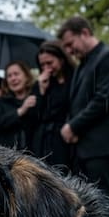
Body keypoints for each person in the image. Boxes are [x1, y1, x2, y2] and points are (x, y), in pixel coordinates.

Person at [57, 16, 109, 197]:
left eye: (70, 43)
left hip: (102, 147)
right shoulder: (82, 65)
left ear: (85, 33)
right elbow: (75, 104)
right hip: (82, 149)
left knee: (105, 205)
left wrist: (73, 127)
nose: (69, 51)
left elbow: (103, 101)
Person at [32, 40, 76, 171]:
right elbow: (35, 116)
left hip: (67, 141)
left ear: (61, 59)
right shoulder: (41, 83)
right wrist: (41, 91)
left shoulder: (75, 79)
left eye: (50, 63)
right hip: (45, 143)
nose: (47, 68)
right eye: (42, 65)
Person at [0, 60, 38, 150]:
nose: (13, 78)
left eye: (16, 74)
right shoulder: (2, 102)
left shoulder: (35, 97)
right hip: (9, 153)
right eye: (9, 76)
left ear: (26, 76)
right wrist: (20, 111)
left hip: (34, 152)